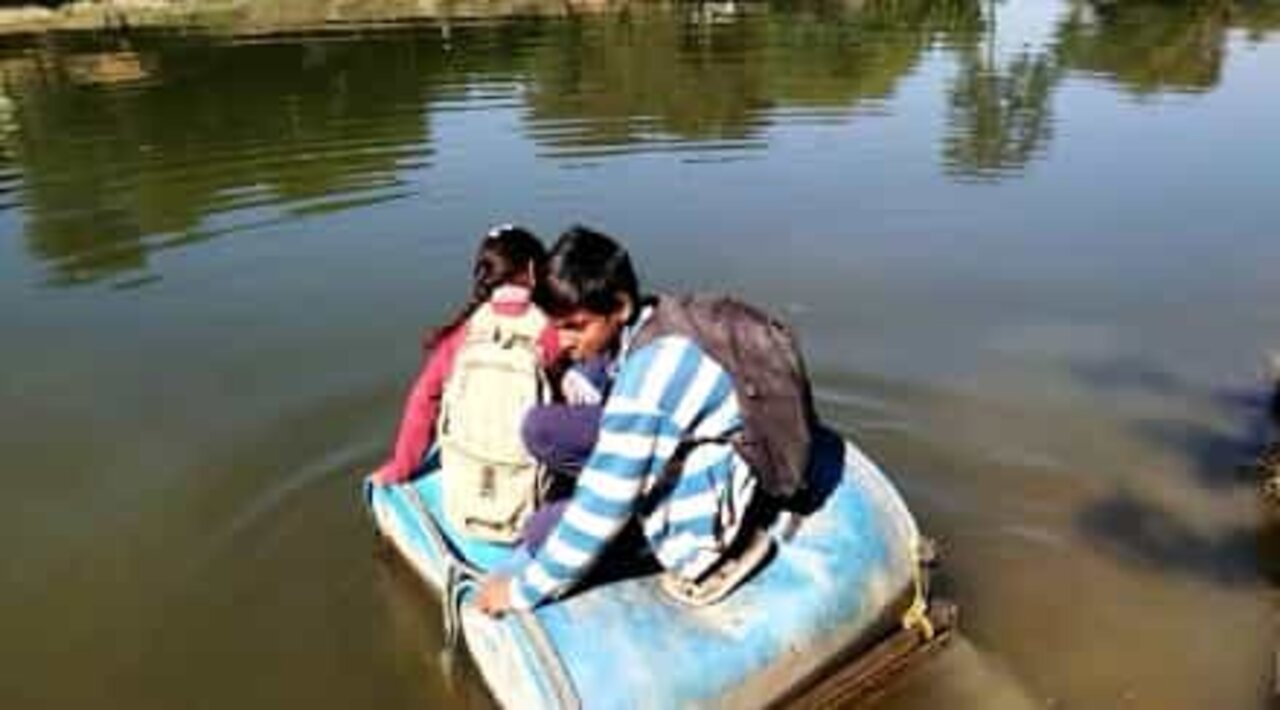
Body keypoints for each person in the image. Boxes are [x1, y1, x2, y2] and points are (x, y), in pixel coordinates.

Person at [475, 226, 759, 614]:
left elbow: (600, 512)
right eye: (557, 327)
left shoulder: (649, 381)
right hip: (684, 444)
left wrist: (519, 592)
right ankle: (616, 484)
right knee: (540, 427)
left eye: (575, 327)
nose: (563, 342)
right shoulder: (650, 315)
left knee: (542, 529)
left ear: (620, 307)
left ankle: (696, 544)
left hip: (710, 495)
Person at [368, 225, 559, 487]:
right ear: (532, 271)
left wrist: (400, 468)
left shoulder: (464, 332)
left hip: (468, 482)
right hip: (527, 478)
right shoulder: (552, 329)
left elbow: (423, 398)